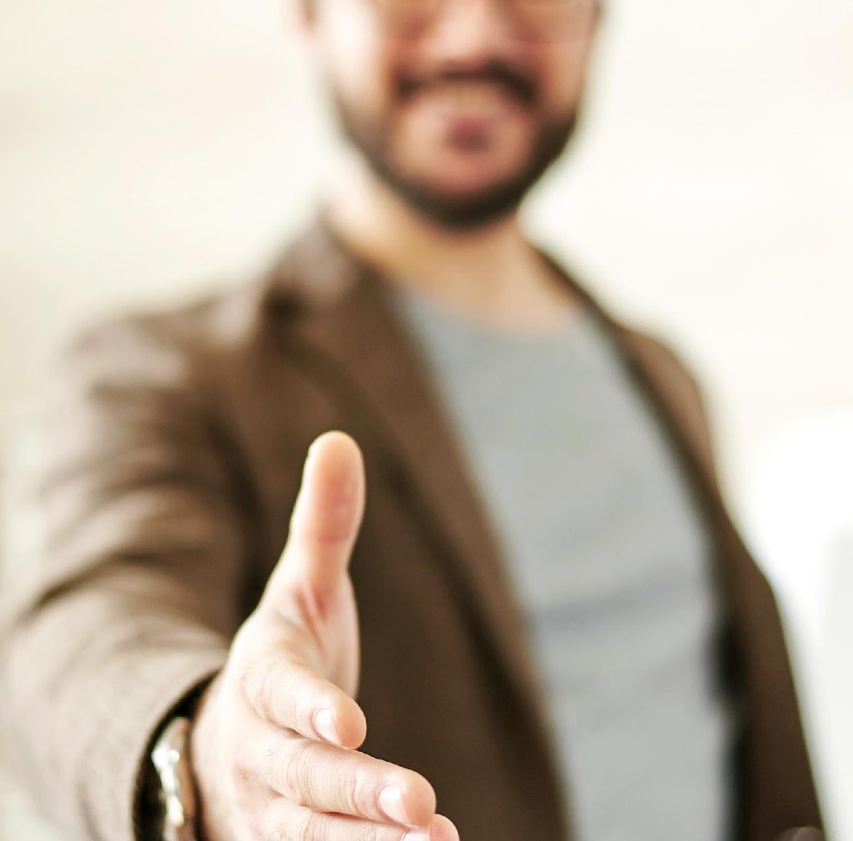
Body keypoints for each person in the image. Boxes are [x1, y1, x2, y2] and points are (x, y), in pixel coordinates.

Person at [0, 0, 824, 839]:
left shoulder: (659, 376)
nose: (473, 35)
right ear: (312, 17)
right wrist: (206, 755)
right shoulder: (169, 377)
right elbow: (80, 636)